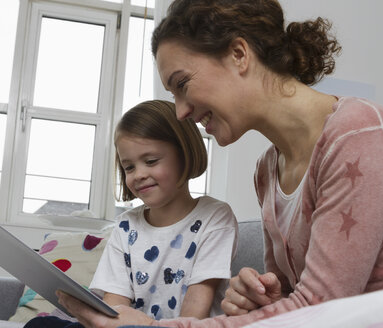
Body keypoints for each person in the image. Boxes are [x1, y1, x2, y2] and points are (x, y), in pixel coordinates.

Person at [55, 0, 383, 327]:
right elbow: (294, 299)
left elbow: (321, 312)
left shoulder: (359, 137)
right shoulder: (268, 171)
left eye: (182, 84)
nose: (182, 112)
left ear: (239, 54)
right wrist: (261, 297)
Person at [24, 100, 238, 327]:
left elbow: (195, 312)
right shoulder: (126, 225)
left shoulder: (215, 217)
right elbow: (115, 305)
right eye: (129, 167)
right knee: (40, 326)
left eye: (151, 161)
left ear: (184, 154)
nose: (139, 174)